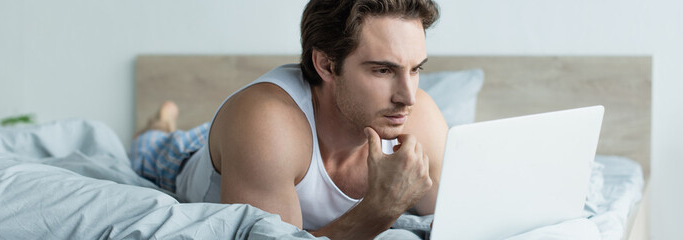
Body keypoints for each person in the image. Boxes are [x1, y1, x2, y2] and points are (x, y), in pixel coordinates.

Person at [131, 0, 447, 239]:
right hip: (186, 158)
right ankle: (160, 124)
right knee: (154, 147)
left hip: (262, 143)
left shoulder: (421, 117)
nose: (407, 97)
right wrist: (379, 209)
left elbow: (463, 221)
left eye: (416, 69)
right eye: (383, 70)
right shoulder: (265, 124)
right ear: (325, 65)